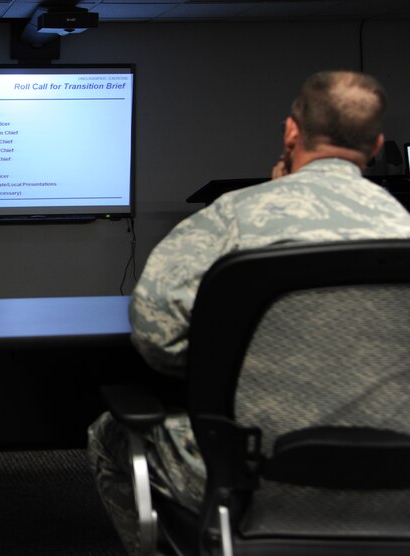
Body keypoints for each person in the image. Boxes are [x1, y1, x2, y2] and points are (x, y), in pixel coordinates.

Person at [87, 70, 410, 555]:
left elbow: (156, 333)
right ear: (377, 144)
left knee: (111, 435)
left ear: (291, 133)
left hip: (247, 478)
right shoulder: (404, 226)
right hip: (397, 482)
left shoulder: (233, 217)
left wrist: (225, 367)